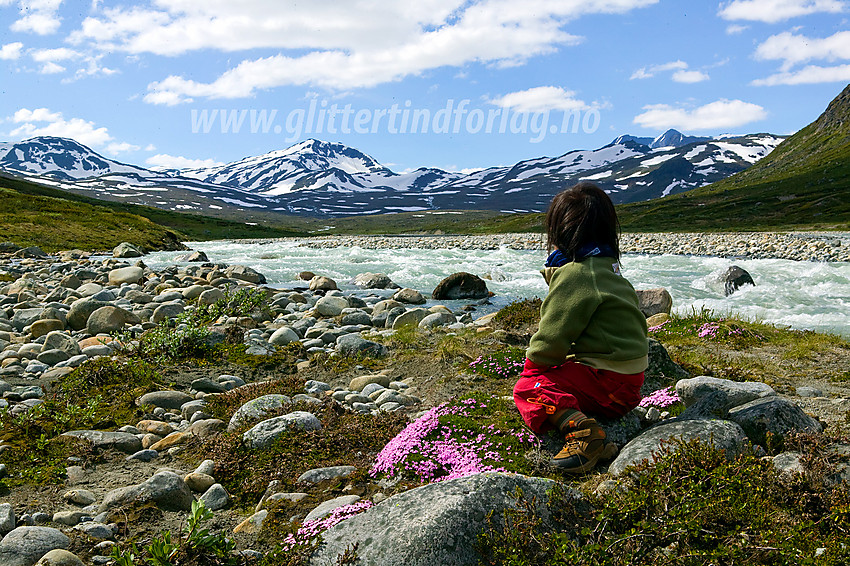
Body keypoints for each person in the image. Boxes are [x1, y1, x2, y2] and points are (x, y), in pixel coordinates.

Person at [513, 182, 648, 474]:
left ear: (561, 231)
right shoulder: (606, 266)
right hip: (627, 383)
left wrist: (532, 371)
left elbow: (552, 339)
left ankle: (584, 434)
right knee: (554, 378)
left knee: (529, 389)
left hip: (610, 385)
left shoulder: (577, 274)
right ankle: (602, 445)